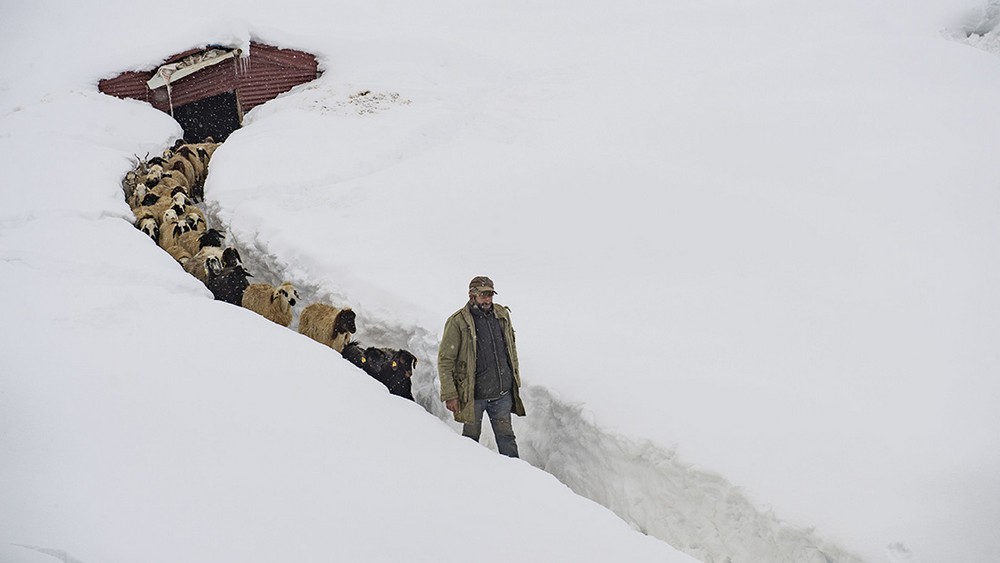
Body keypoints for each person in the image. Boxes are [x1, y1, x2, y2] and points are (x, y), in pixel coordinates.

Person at [437, 275, 525, 457]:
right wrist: (450, 394)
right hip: (473, 396)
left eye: (490, 295)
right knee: (470, 441)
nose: (487, 299)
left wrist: (514, 378)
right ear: (472, 295)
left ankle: (515, 477)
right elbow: (445, 360)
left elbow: (511, 349)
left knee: (507, 438)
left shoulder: (501, 314)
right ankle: (469, 474)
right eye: (483, 295)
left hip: (502, 393)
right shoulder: (458, 322)